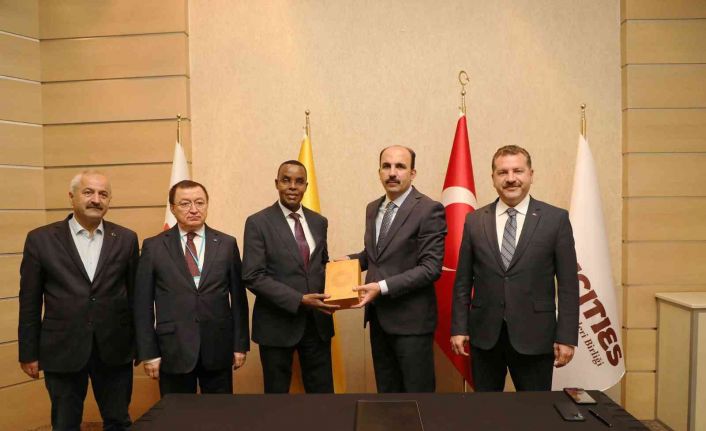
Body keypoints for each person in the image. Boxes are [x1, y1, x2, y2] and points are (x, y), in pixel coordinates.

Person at [450, 145, 579, 391]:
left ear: (531, 174)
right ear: (493, 178)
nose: (510, 178)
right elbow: (463, 281)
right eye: (503, 172)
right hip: (485, 336)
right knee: (486, 409)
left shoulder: (556, 219)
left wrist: (566, 337)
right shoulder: (475, 221)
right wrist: (458, 327)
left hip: (536, 336)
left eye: (518, 171)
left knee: (534, 409)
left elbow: (568, 285)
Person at [18, 170, 138, 431]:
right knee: (65, 424)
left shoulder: (126, 239)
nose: (96, 199)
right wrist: (28, 352)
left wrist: (140, 346)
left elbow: (134, 298)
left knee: (119, 421)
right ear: (71, 197)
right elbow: (29, 302)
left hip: (115, 349)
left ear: (109, 200)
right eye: (88, 192)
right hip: (62, 349)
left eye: (103, 194)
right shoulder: (40, 239)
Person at [134, 180, 249, 395]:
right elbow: (142, 305)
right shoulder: (154, 247)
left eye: (200, 202)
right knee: (176, 412)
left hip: (218, 347)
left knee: (219, 412)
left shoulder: (226, 244)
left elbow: (239, 300)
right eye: (185, 203)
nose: (194, 209)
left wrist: (239, 345)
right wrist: (148, 352)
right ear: (172, 208)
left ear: (207, 205)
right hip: (173, 349)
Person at [346, 146, 446, 393]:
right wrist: (346, 263)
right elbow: (376, 256)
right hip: (378, 319)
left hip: (412, 322)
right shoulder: (373, 208)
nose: (392, 173)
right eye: (386, 166)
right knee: (387, 396)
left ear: (413, 173)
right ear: (379, 172)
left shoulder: (429, 209)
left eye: (400, 166)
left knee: (418, 398)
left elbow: (430, 268)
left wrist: (381, 287)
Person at [242, 160, 338, 393]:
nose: (293, 186)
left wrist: (341, 286)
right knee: (277, 400)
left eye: (299, 181)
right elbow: (253, 275)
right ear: (277, 183)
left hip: (317, 325)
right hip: (276, 325)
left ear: (306, 186)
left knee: (323, 399)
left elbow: (321, 265)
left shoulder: (319, 221)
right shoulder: (258, 222)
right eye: (286, 180)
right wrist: (299, 299)